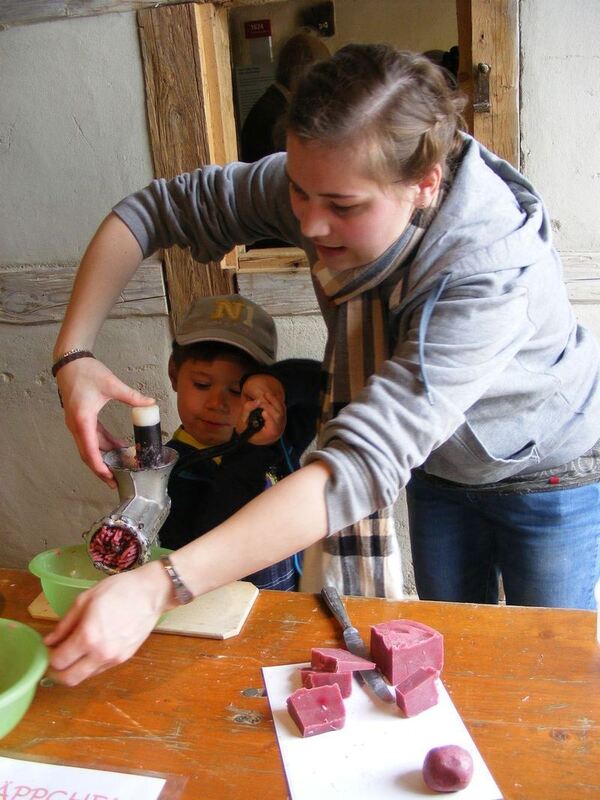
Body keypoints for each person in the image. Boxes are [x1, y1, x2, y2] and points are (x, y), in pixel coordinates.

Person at [48, 44, 600, 685]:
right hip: (436, 461)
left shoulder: (486, 269)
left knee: (553, 667)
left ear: (424, 185)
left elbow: (358, 466)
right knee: (449, 652)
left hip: (546, 468)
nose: (309, 224)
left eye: (342, 207)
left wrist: (157, 588)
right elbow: (151, 211)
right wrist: (74, 356)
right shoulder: (323, 182)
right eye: (298, 191)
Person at [159, 293, 320, 591]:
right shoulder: (172, 471)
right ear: (173, 373)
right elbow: (207, 547)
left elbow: (321, 383)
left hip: (290, 610)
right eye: (202, 385)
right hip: (225, 623)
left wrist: (277, 384)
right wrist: (250, 448)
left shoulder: (277, 438)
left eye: (237, 390)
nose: (217, 403)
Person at [240, 30, 330, 163]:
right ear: (304, 73)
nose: (324, 90)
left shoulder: (272, 104)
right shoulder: (275, 116)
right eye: (322, 76)